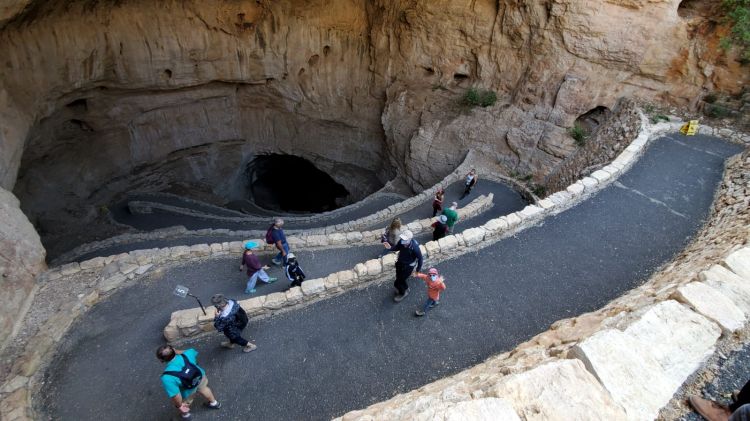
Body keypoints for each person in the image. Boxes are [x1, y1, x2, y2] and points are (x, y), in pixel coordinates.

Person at [157, 345, 221, 419]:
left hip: (188, 390)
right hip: (200, 378)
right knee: (204, 389)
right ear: (174, 350)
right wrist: (177, 351)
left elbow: (176, 396)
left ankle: (186, 415)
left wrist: (179, 405)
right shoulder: (188, 354)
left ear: (161, 360)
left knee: (186, 402)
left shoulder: (167, 377)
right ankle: (214, 403)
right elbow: (192, 351)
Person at [384, 229, 423, 302]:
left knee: (399, 281)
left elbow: (420, 259)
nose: (402, 241)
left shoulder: (415, 248)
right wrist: (390, 248)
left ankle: (404, 292)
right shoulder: (402, 242)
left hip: (408, 267)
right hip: (400, 263)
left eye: (405, 240)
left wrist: (417, 271)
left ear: (410, 239)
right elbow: (397, 248)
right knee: (399, 277)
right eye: (402, 239)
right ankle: (404, 288)